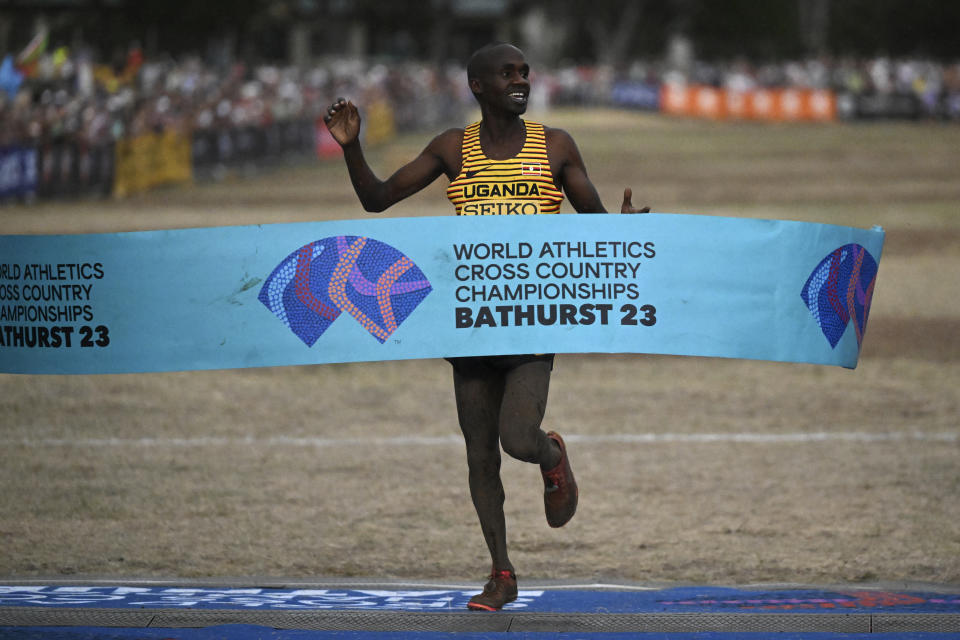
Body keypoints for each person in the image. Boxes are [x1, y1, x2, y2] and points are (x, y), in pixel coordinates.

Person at [323, 42, 648, 611]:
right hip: (471, 325)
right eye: (507, 73)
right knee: (479, 457)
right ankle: (501, 573)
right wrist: (353, 149)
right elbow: (377, 200)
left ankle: (552, 458)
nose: (520, 79)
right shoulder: (453, 147)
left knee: (517, 438)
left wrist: (622, 232)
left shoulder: (556, 146)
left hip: (530, 322)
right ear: (478, 85)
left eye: (524, 72)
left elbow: (596, 231)